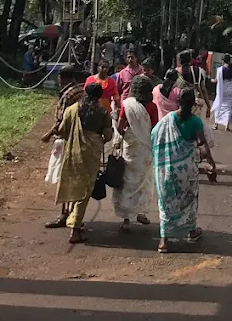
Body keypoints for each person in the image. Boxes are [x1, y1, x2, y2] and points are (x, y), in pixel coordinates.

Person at [152, 87, 216, 253]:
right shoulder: (195, 122)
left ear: (178, 102)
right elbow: (202, 145)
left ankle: (164, 240)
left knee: (166, 202)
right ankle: (191, 231)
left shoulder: (167, 120)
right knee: (189, 200)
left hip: (167, 170)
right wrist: (211, 163)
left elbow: (154, 136)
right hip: (186, 170)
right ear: (193, 103)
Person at [53, 80, 113, 244]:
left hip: (72, 152)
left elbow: (62, 131)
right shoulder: (103, 112)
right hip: (90, 155)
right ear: (99, 96)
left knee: (74, 184)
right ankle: (75, 229)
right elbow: (108, 136)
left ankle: (70, 217)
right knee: (85, 191)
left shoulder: (72, 110)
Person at [41, 63, 88, 228]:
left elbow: (61, 121)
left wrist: (48, 135)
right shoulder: (81, 90)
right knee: (74, 177)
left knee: (63, 177)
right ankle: (72, 212)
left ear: (62, 78)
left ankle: (64, 214)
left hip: (66, 139)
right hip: (80, 138)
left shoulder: (67, 95)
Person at [113, 75, 157, 235]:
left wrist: (128, 134)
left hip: (130, 147)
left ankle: (126, 220)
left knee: (128, 180)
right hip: (146, 148)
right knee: (145, 180)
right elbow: (155, 128)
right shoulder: (152, 107)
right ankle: (141, 213)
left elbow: (120, 127)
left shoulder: (128, 105)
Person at [210, 56, 232, 131]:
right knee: (228, 108)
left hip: (222, 90)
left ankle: (216, 124)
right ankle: (227, 125)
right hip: (230, 91)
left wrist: (211, 80)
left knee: (219, 105)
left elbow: (216, 80)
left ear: (223, 61)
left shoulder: (220, 69)